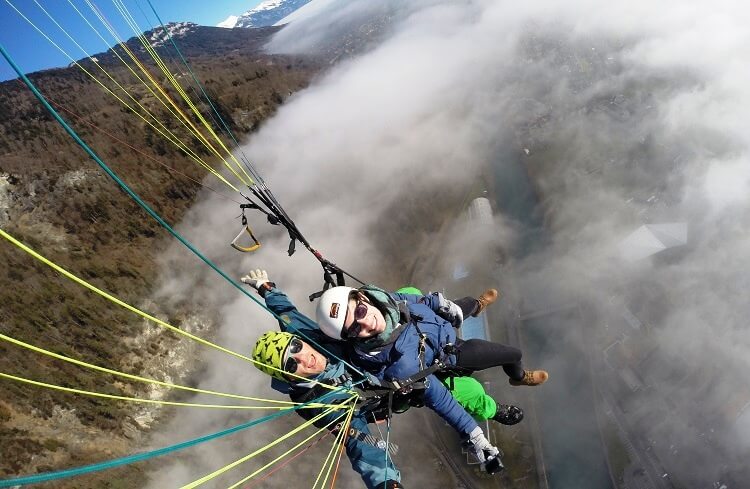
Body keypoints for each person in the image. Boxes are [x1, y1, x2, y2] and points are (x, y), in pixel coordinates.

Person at [315, 284, 549, 470]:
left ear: (364, 298)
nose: (365, 322)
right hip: (446, 358)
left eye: (360, 311)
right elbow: (441, 400)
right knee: (500, 365)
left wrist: (438, 302)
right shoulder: (399, 367)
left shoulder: (384, 299)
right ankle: (501, 402)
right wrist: (475, 436)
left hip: (437, 328)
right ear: (350, 338)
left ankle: (478, 307)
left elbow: (412, 301)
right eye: (355, 329)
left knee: (420, 294)